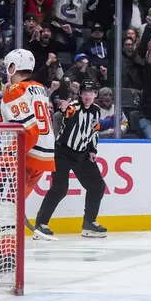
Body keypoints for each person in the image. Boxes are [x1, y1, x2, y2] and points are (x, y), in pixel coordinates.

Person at [0, 47, 57, 274]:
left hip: (25, 156)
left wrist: (12, 158)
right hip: (42, 159)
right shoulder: (38, 88)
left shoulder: (14, 90)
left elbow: (29, 130)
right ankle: (4, 255)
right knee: (9, 207)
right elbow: (27, 121)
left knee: (5, 207)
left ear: (13, 68)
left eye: (7, 68)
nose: (6, 73)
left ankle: (3, 256)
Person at [35, 80, 111, 240]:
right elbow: (65, 114)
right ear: (80, 94)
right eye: (85, 93)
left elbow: (94, 132)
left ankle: (89, 223)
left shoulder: (96, 111)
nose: (88, 96)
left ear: (95, 95)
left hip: (82, 154)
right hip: (63, 153)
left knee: (97, 186)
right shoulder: (73, 107)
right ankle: (41, 224)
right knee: (60, 188)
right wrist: (63, 110)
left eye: (91, 93)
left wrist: (92, 149)